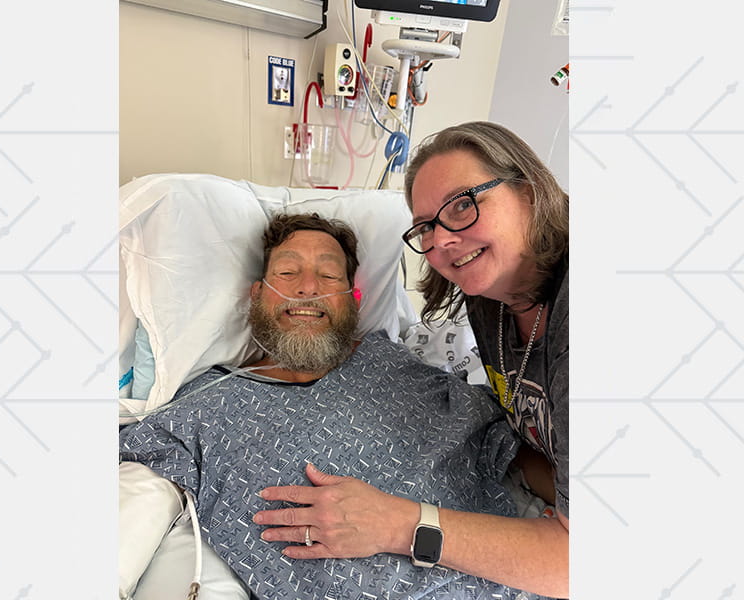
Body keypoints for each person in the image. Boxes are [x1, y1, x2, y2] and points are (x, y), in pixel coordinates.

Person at [120, 213, 529, 600]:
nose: (307, 287)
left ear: (353, 299)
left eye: (329, 274)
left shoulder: (392, 365)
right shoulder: (201, 409)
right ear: (258, 293)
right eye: (287, 271)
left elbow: (507, 445)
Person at [255, 122, 569, 598]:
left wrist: (399, 524)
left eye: (463, 204)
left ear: (527, 190)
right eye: (426, 226)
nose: (441, 240)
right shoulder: (488, 298)